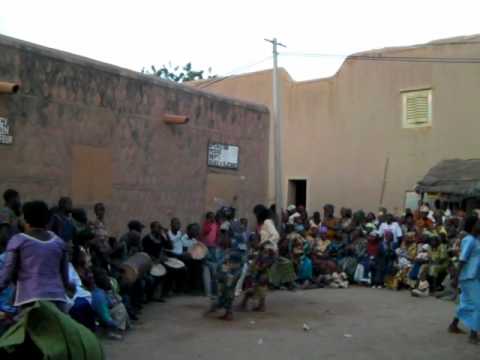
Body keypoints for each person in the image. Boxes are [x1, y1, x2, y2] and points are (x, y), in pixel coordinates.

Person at [0, 200, 71, 311]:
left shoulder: (18, 240)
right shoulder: (59, 242)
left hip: (30, 300)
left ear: (25, 218)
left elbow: (5, 277)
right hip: (58, 300)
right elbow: (66, 279)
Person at [448, 216, 480, 344]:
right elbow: (462, 260)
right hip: (468, 277)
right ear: (472, 226)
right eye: (478, 223)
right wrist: (456, 278)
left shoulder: (477, 239)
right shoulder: (469, 240)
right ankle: (473, 334)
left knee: (465, 302)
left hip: (475, 276)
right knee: (478, 305)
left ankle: (453, 325)